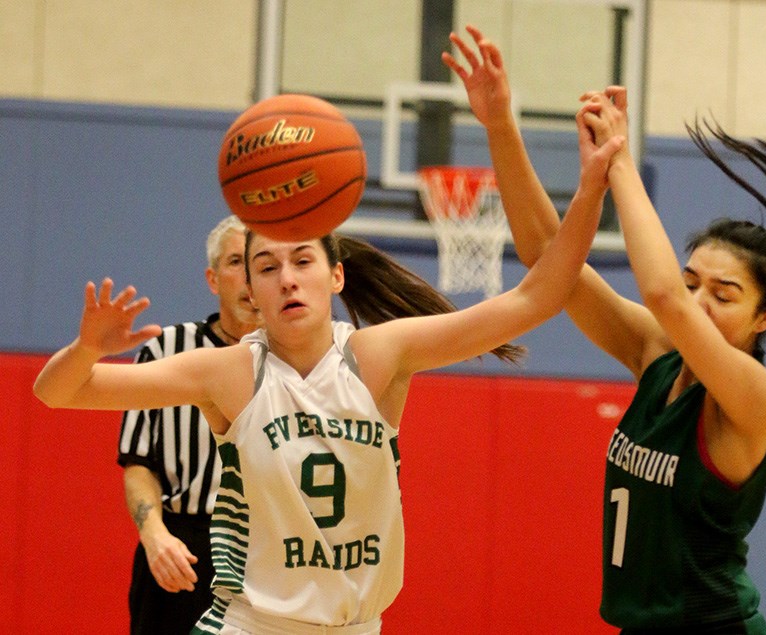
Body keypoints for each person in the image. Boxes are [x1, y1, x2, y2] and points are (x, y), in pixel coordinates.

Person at [31, 126, 624, 635]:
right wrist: (86, 349)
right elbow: (57, 393)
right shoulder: (230, 371)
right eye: (266, 267)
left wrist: (591, 186)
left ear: (336, 276)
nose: (286, 279)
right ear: (250, 291)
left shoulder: (378, 355)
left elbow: (539, 295)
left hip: (360, 625)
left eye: (302, 261)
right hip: (254, 623)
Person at [445, 25, 766, 633]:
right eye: (694, 283)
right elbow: (544, 256)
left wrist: (619, 162)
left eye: (724, 295)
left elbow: (663, 296)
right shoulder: (655, 353)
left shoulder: (753, 401)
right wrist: (500, 123)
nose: (699, 301)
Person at [119, 215, 262, 634]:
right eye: (237, 262)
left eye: (261, 264)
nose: (250, 277)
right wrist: (154, 534)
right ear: (213, 278)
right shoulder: (167, 350)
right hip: (185, 547)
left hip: (271, 552)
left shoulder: (298, 359)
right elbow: (138, 463)